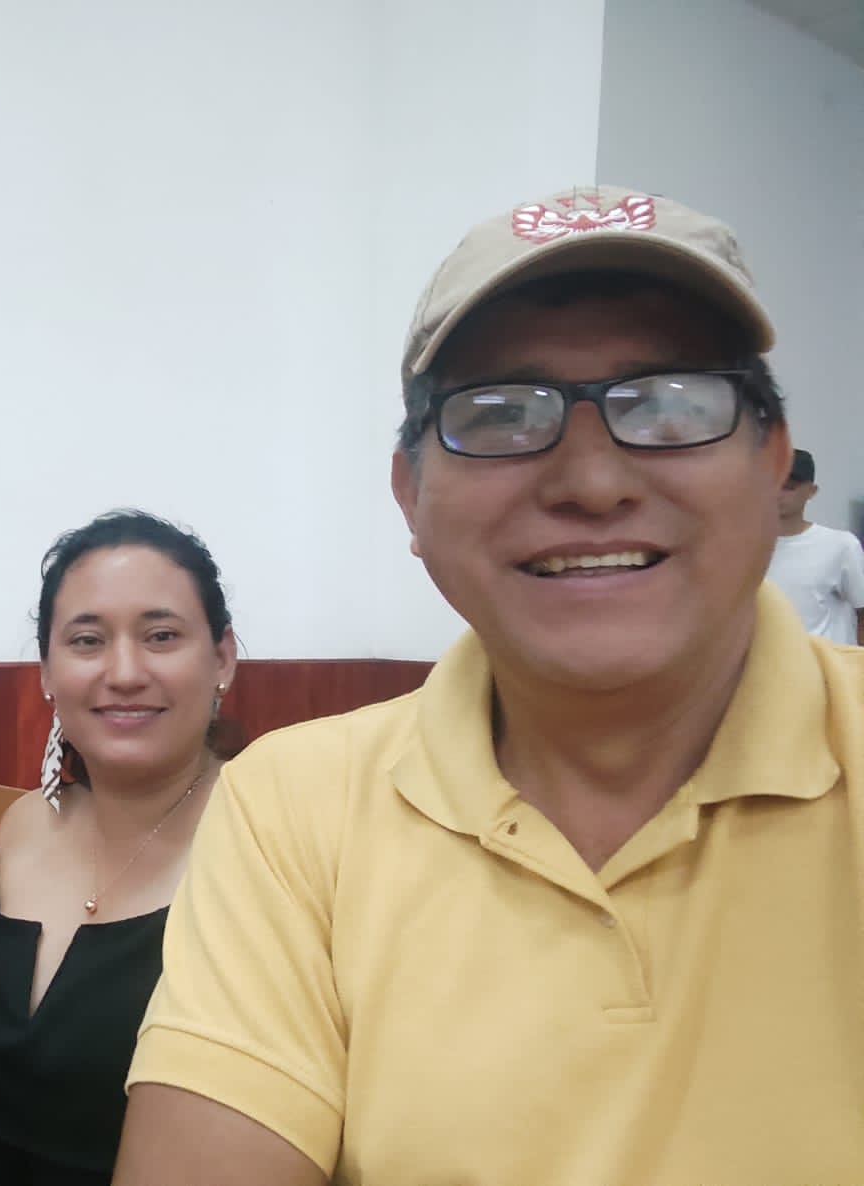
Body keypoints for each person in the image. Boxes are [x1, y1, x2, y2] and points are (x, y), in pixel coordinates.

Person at [114, 188, 864, 1184]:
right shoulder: (296, 803)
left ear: (773, 464)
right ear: (409, 495)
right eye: (502, 415)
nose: (592, 482)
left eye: (670, 403)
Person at [0, 510, 238, 1185]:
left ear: (222, 658)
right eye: (87, 641)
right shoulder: (19, 826)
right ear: (47, 673)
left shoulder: (266, 847)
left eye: (161, 636)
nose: (124, 672)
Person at [766, 448, 864, 645]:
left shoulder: (840, 546)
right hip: (766, 661)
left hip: (821, 662)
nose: (777, 494)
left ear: (811, 491)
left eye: (789, 487)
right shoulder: (745, 549)